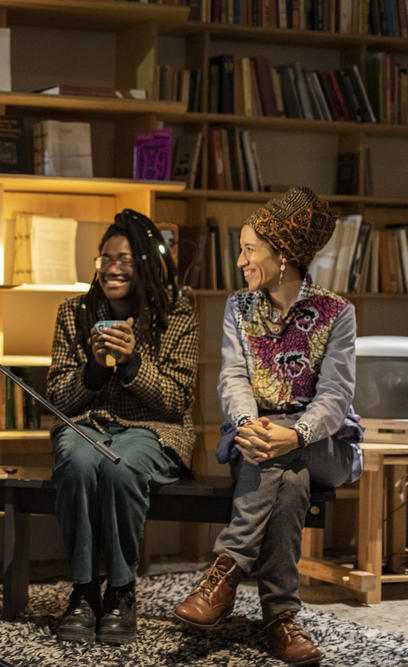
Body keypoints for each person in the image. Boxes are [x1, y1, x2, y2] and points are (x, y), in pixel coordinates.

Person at [173, 187, 362, 665]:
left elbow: (336, 398)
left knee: (291, 456)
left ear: (283, 256)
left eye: (249, 249)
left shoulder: (337, 313)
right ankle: (281, 619)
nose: (240, 261)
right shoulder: (239, 308)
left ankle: (226, 567)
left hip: (326, 446)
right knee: (288, 476)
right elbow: (233, 378)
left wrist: (295, 433)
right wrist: (249, 424)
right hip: (259, 442)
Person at [46, 209, 199, 645]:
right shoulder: (74, 312)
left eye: (125, 260)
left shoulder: (176, 315)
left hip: (152, 431)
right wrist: (94, 368)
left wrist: (132, 362)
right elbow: (58, 399)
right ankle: (82, 593)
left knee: (120, 467)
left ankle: (120, 591)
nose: (112, 268)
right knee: (77, 461)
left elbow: (175, 404)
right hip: (86, 425)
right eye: (105, 258)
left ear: (146, 264)